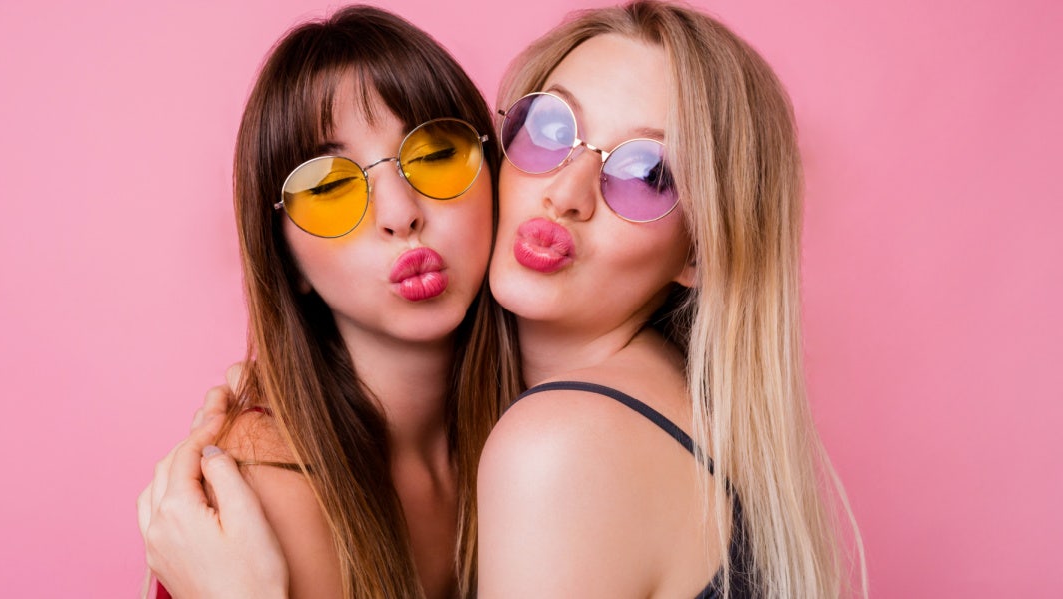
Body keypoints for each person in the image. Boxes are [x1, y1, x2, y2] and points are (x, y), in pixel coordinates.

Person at [140, 2, 865, 597]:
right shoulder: (263, 491)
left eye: (648, 173)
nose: (568, 193)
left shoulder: (555, 444)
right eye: (552, 130)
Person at [137, 6, 519, 598]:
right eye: (331, 186)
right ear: (286, 260)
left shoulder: (530, 428)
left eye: (437, 154)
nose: (400, 213)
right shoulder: (268, 489)